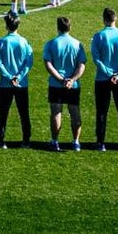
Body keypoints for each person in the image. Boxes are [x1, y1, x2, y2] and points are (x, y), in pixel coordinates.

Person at [91, 7, 118, 152]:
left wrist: (109, 73)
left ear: (104, 19)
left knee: (102, 111)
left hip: (102, 79)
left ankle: (100, 142)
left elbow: (96, 59)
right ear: (115, 19)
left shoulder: (98, 36)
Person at [43, 15, 86, 151]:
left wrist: (61, 80)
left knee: (56, 112)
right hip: (73, 85)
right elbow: (81, 65)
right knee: (75, 112)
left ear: (58, 28)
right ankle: (76, 142)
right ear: (70, 27)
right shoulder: (77, 44)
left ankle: (55, 141)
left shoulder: (51, 43)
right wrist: (72, 80)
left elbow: (48, 65)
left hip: (56, 84)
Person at [0, 12, 33, 149]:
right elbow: (29, 62)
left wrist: (8, 77)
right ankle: (26, 140)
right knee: (24, 113)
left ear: (6, 26)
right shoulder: (24, 41)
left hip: (5, 84)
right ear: (18, 25)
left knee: (3, 112)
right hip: (22, 84)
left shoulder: (1, 42)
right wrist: (19, 77)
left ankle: (0, 139)